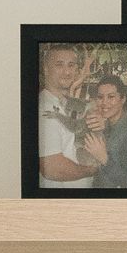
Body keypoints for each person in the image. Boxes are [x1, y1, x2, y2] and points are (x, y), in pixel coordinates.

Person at [37, 43, 100, 187]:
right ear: (46, 69)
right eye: (59, 65)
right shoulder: (45, 109)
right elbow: (52, 169)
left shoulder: (66, 102)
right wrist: (93, 170)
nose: (67, 72)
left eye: (71, 65)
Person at [75, 69, 127, 191]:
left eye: (111, 97)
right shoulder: (107, 123)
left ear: (123, 99)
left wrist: (104, 158)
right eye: (100, 97)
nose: (104, 103)